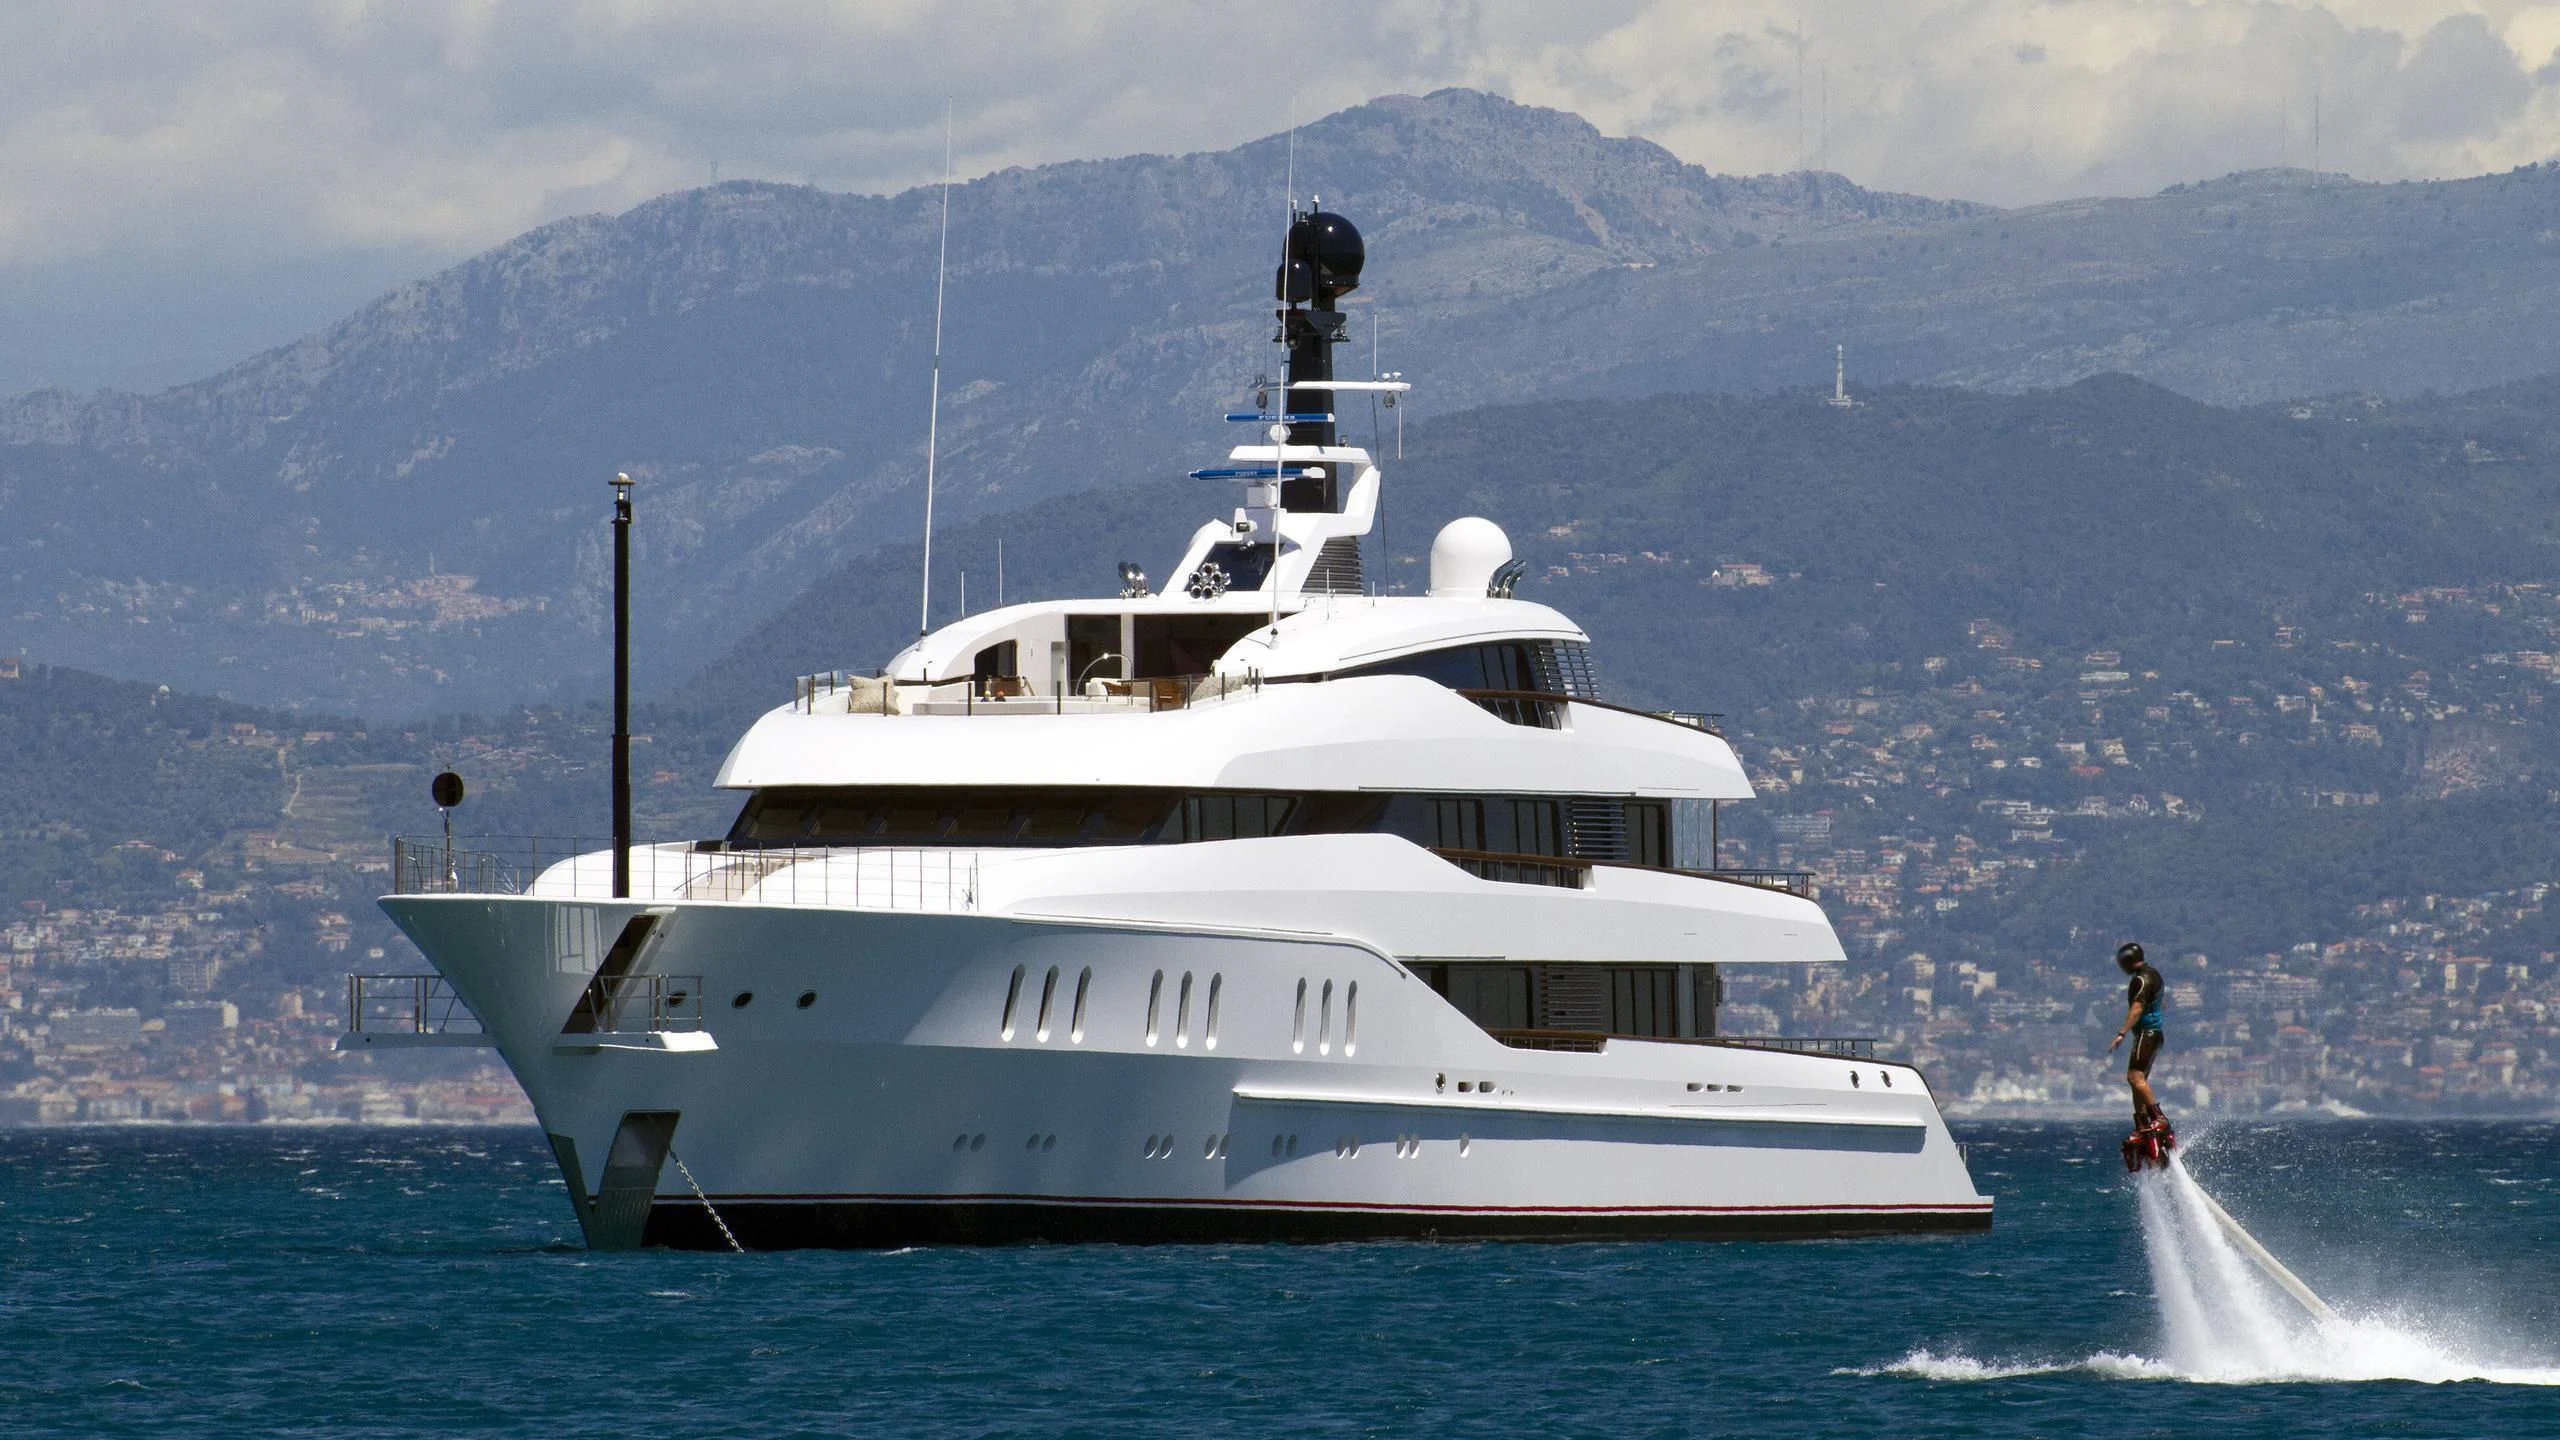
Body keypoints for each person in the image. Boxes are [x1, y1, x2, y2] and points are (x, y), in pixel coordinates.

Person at [2106, 941, 2169, 1135]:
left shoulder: (2142, 979)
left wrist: (2121, 1033)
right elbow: (2161, 1003)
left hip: (2147, 1034)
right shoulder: (2154, 974)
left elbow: (2137, 1008)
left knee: (2134, 1077)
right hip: (2155, 1035)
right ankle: (2142, 1125)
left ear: (2129, 962)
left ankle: (2159, 1119)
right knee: (2138, 1081)